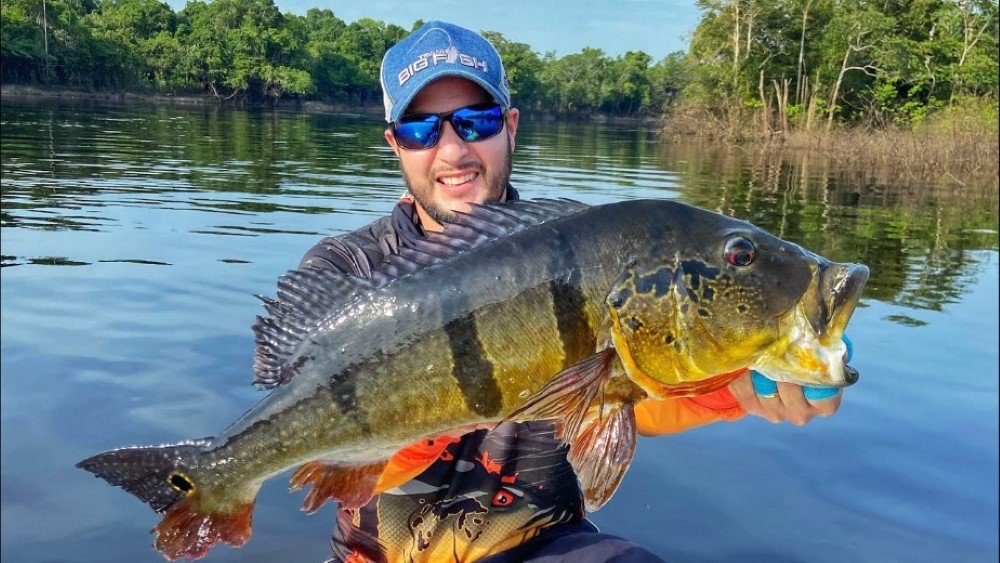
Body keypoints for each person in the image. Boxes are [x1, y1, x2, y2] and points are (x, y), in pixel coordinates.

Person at [297, 21, 843, 563]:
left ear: (509, 126)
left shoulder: (575, 250)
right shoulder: (348, 273)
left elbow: (629, 395)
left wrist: (734, 386)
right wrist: (442, 393)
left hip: (544, 544)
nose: (451, 151)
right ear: (395, 144)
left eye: (475, 121)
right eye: (421, 130)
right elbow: (333, 460)